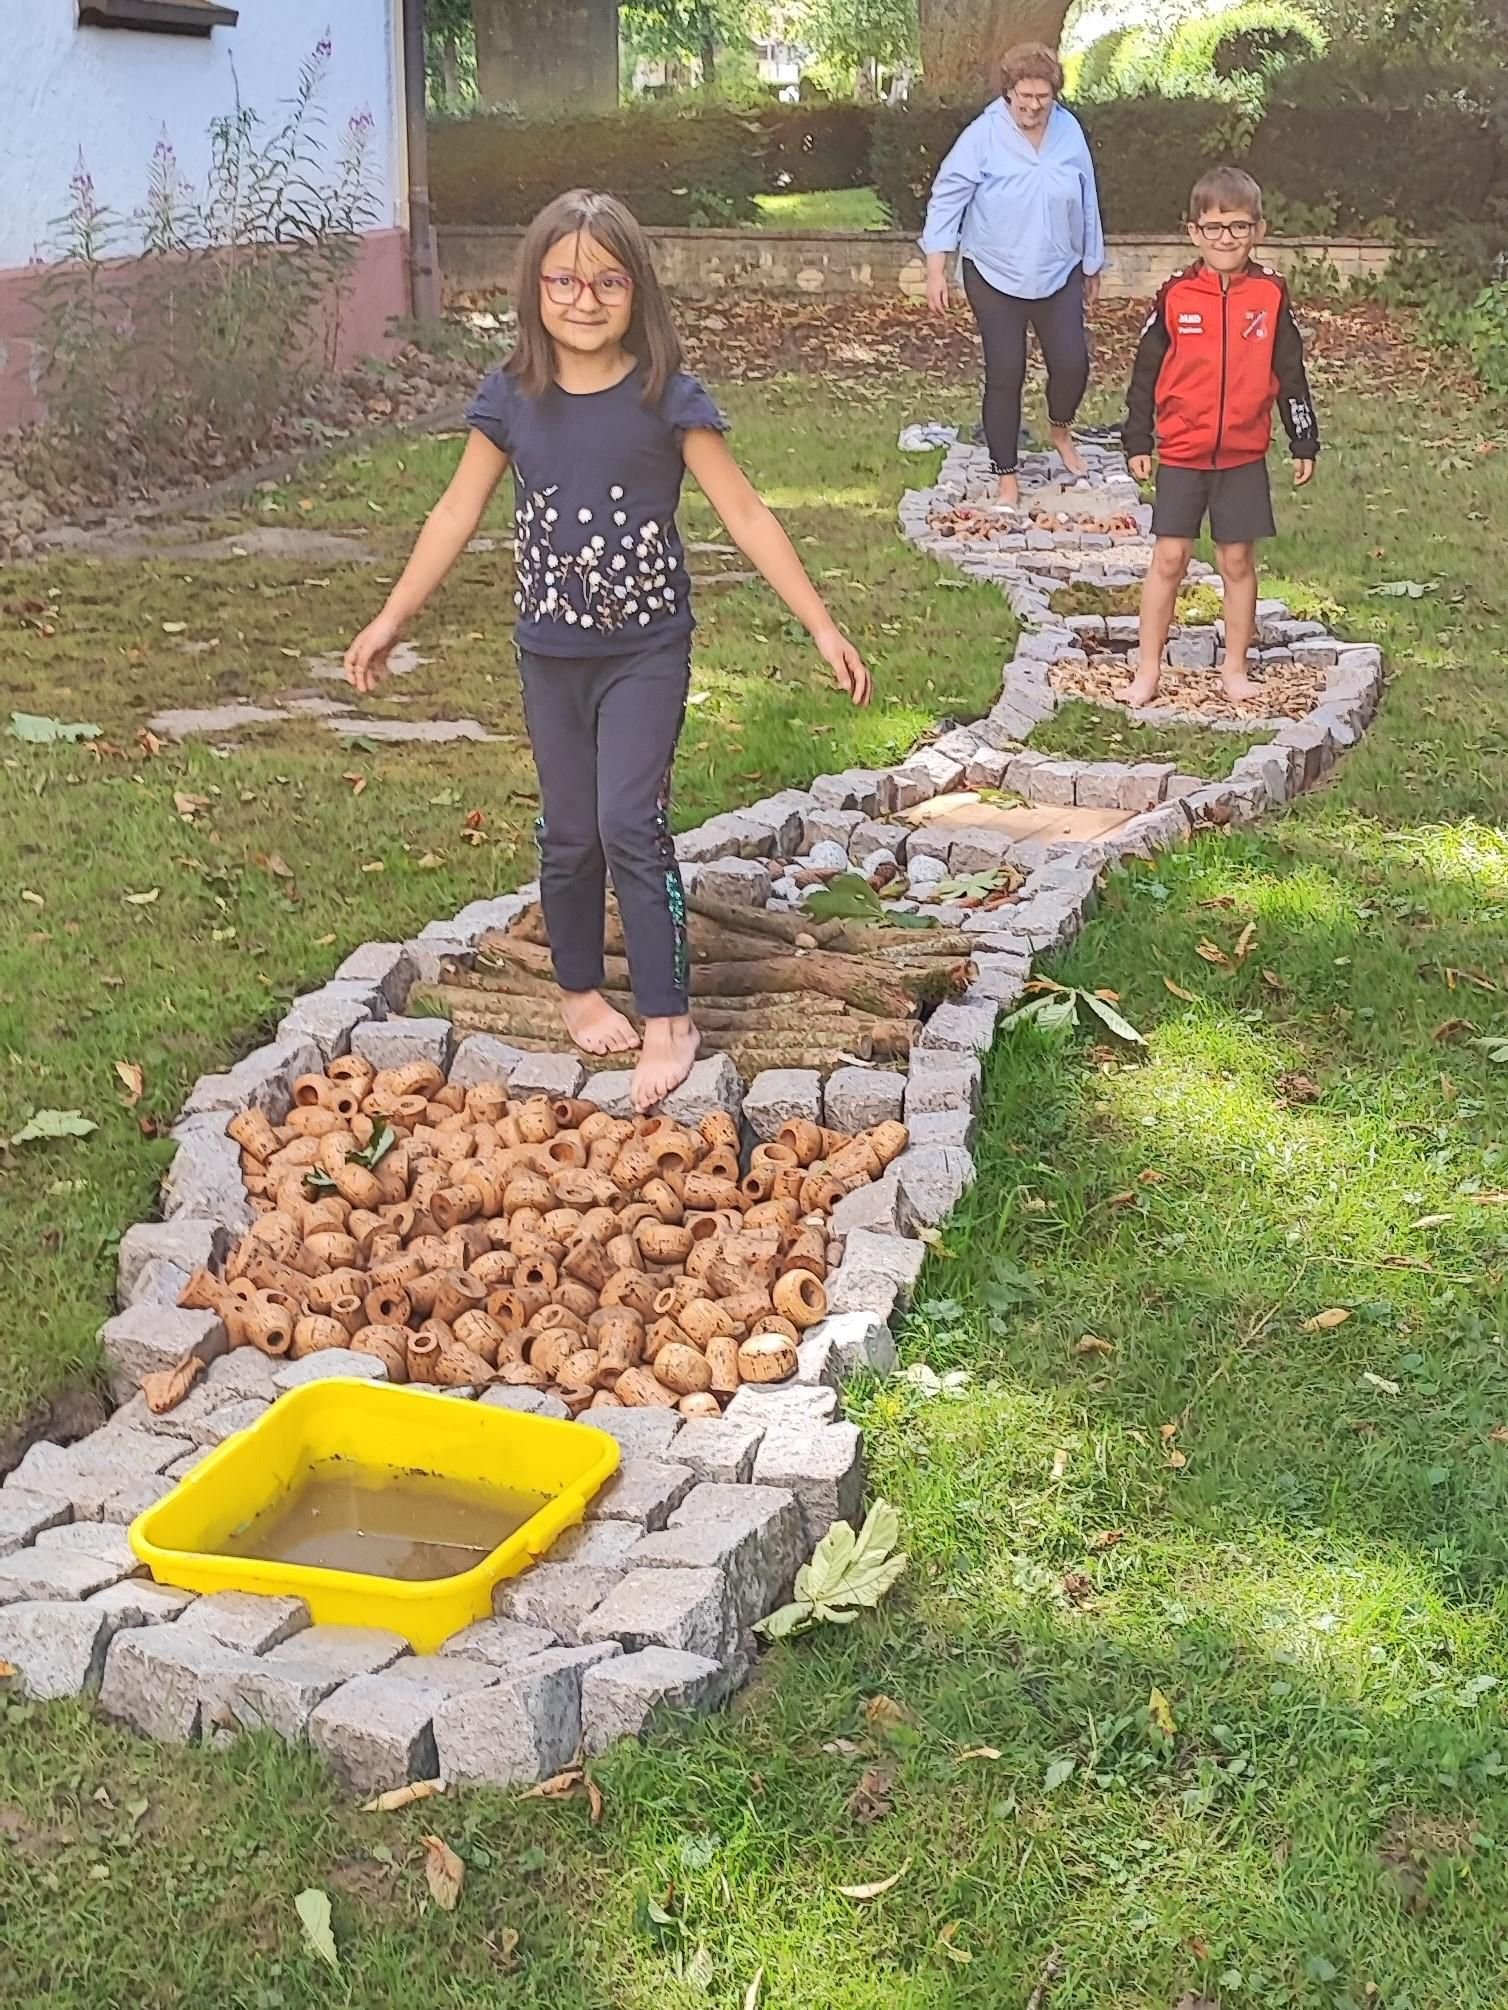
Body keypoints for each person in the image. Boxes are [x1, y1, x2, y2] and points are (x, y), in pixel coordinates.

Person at [344, 189, 871, 1113]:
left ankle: (670, 1015)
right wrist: (392, 617)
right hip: (550, 652)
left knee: (633, 821)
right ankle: (580, 987)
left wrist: (821, 623)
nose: (583, 300)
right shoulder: (510, 399)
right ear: (533, 288)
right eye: (562, 281)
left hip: (647, 651)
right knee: (570, 830)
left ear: (637, 291)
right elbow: (456, 511)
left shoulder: (667, 398)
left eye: (605, 282)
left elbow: (744, 513)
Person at [1119, 165, 1319, 709]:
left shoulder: (1272, 297)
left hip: (1242, 457)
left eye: (1237, 227)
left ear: (1258, 230)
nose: (1225, 238)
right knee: (1170, 558)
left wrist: (1305, 440)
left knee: (1236, 562)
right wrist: (1138, 439)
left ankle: (1234, 669)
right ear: (1193, 232)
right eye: (1213, 227)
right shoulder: (1175, 296)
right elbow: (1145, 373)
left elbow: (1291, 374)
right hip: (1183, 453)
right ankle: (1148, 669)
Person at [920, 41, 1106, 509]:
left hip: (1057, 268)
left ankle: (1060, 429)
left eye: (1042, 97)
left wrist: (1092, 261)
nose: (1032, 106)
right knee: (1006, 371)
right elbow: (948, 195)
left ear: (1054, 96)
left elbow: (1087, 197)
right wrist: (936, 266)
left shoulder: (1069, 131)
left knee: (1072, 363)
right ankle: (1006, 474)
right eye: (1024, 97)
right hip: (994, 271)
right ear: (1008, 93)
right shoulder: (983, 135)